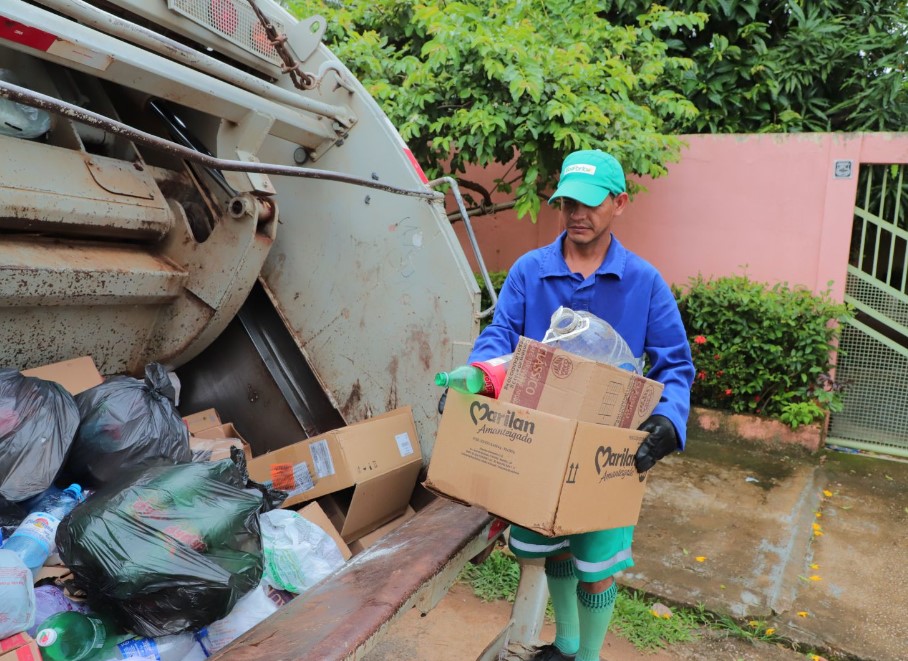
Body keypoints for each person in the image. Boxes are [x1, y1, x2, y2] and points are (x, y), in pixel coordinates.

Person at [466, 149, 695, 661]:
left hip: (607, 446)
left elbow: (675, 364)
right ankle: (565, 644)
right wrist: (480, 378)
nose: (577, 213)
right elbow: (499, 334)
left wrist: (667, 419)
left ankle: (586, 657)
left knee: (597, 561)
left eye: (590, 203)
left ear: (620, 203)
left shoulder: (643, 282)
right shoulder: (531, 272)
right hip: (538, 440)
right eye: (568, 201)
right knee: (555, 545)